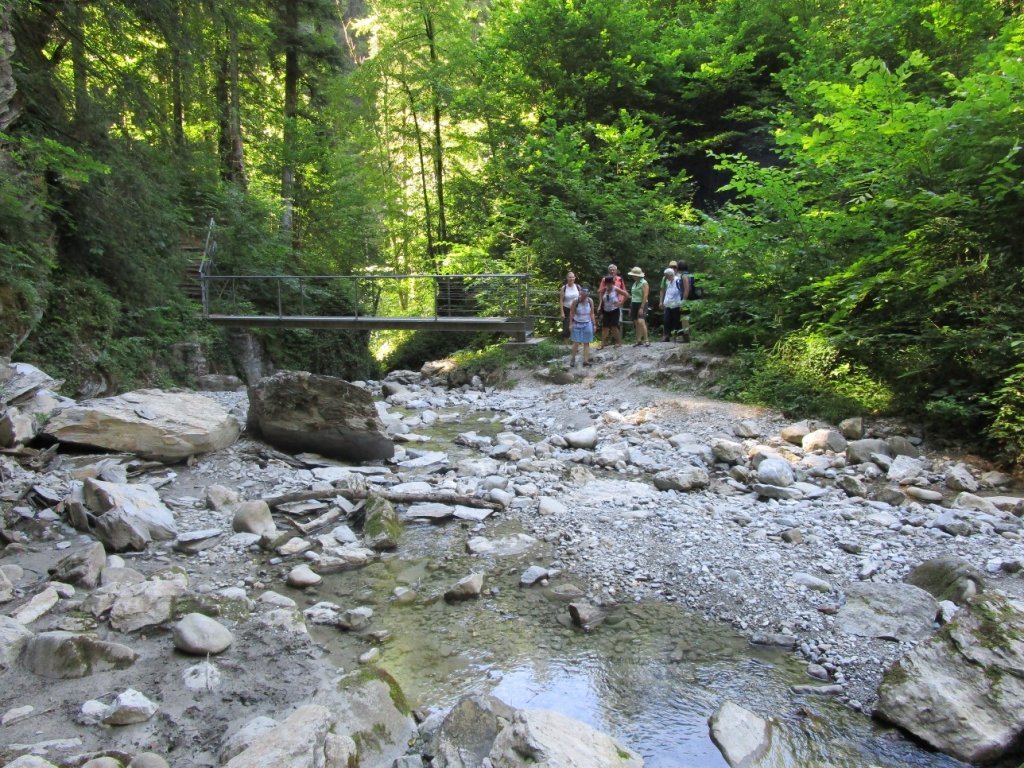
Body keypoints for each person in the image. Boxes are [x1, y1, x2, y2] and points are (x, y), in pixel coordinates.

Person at [597, 264, 629, 348]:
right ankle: (602, 344)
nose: (608, 285)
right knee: (605, 327)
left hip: (615, 308)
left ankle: (619, 342)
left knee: (614, 326)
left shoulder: (616, 287)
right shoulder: (604, 288)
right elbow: (600, 293)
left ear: (612, 283)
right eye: (607, 283)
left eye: (609, 283)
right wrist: (600, 305)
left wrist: (621, 303)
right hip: (606, 309)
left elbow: (626, 294)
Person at [568, 286, 596, 367]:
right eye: (583, 295)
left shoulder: (590, 301)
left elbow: (592, 313)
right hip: (577, 323)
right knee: (576, 342)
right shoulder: (575, 301)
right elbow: (572, 313)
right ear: (580, 293)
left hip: (587, 323)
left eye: (586, 295)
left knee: (586, 342)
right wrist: (570, 324)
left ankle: (585, 361)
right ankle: (573, 359)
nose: (584, 297)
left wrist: (594, 324)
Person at [627, 266, 650, 346]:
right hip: (634, 303)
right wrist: (630, 307)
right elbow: (633, 296)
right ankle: (639, 340)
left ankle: (646, 340)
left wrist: (641, 307)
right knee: (636, 322)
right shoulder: (634, 283)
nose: (632, 276)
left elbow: (645, 295)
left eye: (633, 275)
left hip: (642, 303)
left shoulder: (644, 283)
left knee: (641, 321)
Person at [660, 267, 683, 342]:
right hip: (668, 304)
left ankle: (677, 335)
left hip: (676, 304)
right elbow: (667, 292)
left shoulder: (678, 281)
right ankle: (667, 335)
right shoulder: (668, 282)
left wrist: (682, 303)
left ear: (670, 275)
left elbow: (680, 292)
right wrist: (663, 302)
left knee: (676, 320)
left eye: (666, 276)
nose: (666, 277)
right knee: (666, 320)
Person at [558, 271, 580, 339]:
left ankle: (575, 344)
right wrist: (562, 312)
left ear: (575, 278)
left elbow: (581, 298)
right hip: (566, 309)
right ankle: (566, 346)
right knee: (566, 327)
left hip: (576, 309)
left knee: (576, 326)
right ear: (567, 278)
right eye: (570, 277)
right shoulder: (564, 288)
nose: (571, 279)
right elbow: (561, 300)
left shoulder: (578, 287)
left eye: (573, 277)